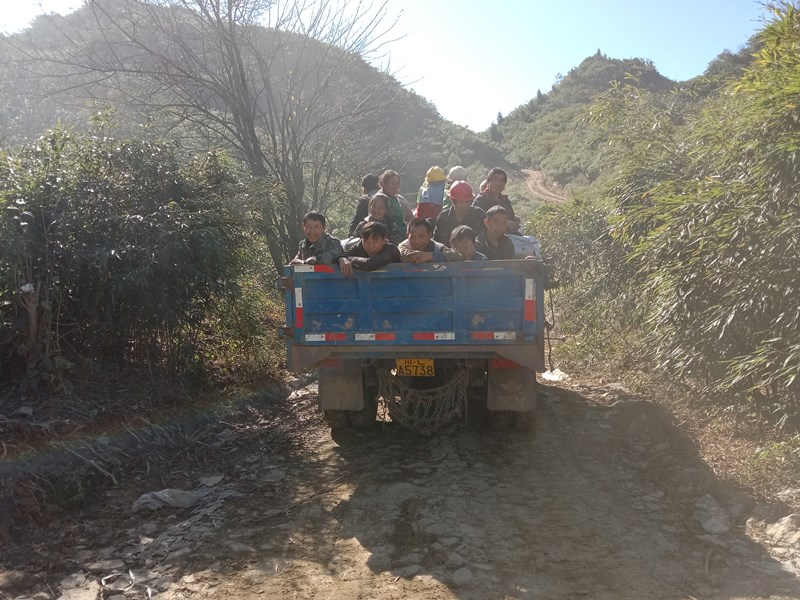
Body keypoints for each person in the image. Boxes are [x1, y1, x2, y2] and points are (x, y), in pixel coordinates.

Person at [433, 180, 486, 245]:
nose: (465, 205)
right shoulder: (443, 218)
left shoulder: (479, 215)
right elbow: (436, 244)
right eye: (461, 202)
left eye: (467, 202)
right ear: (452, 200)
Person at [472, 167, 522, 234]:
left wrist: (516, 221)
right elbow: (478, 221)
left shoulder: (505, 200)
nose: (498, 183)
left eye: (502, 181)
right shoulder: (481, 200)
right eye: (495, 179)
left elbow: (512, 218)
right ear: (489, 182)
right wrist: (505, 223)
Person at [378, 170, 411, 242]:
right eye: (393, 183)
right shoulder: (380, 198)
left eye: (397, 184)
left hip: (402, 235)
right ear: (384, 183)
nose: (395, 187)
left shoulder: (395, 198)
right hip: (388, 238)